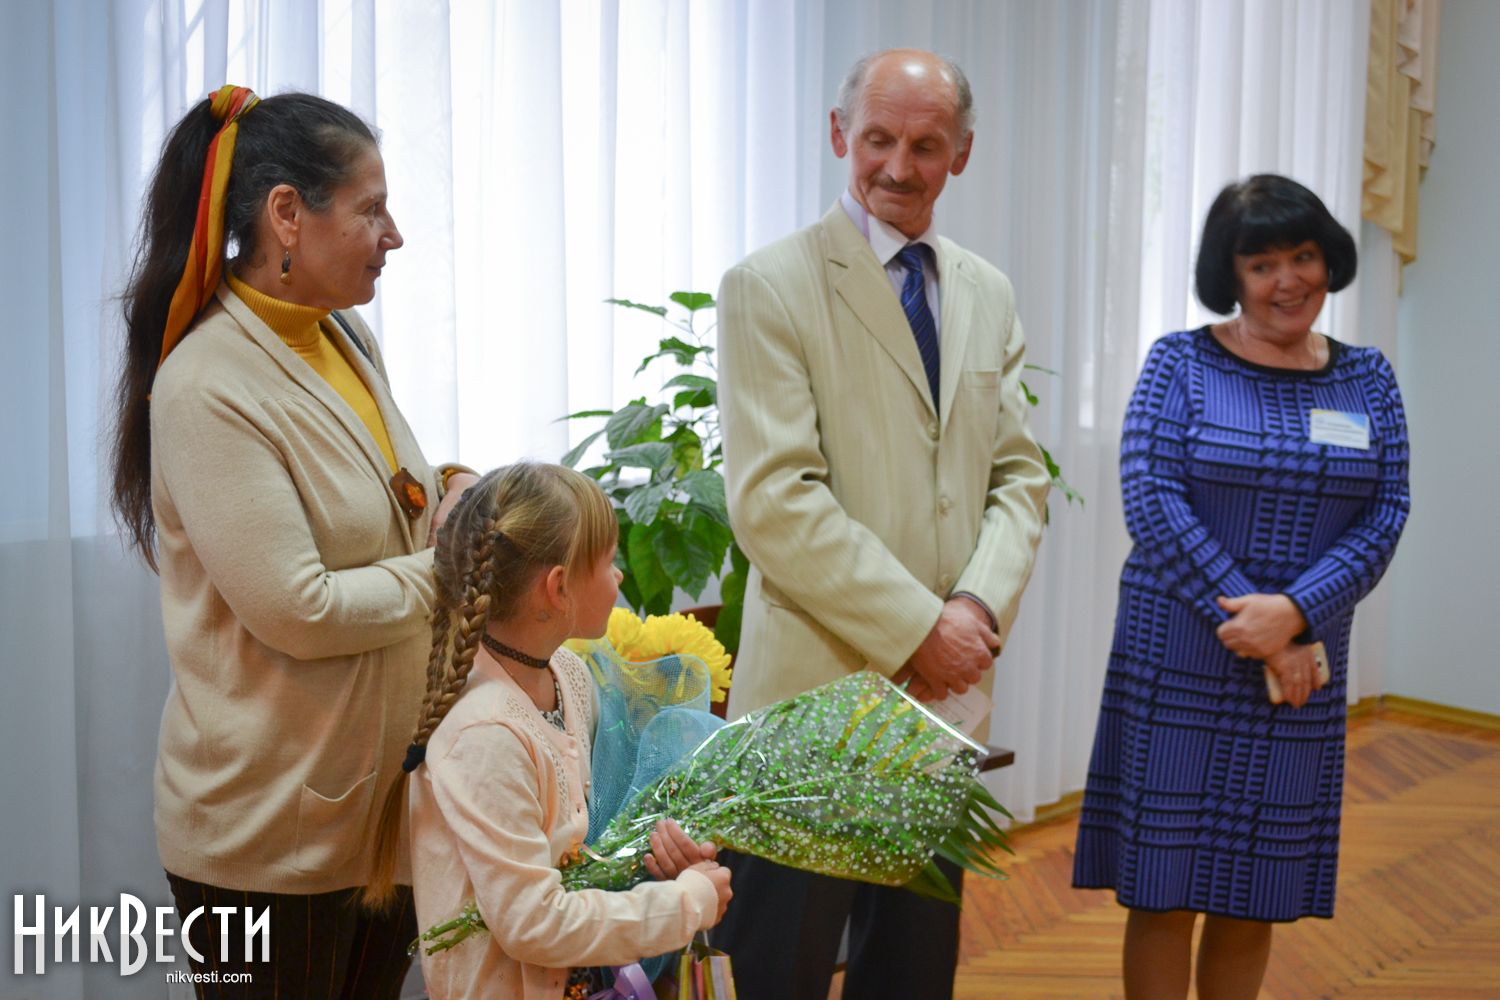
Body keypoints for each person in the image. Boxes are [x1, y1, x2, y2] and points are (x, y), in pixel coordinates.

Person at [109, 86, 475, 997]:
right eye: (371, 210)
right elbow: (300, 609)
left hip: (378, 815)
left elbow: (385, 499)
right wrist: (454, 567)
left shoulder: (343, 335)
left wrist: (455, 491)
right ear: (286, 214)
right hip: (270, 840)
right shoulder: (206, 385)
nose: (394, 236)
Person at [713, 49, 1051, 999]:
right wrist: (918, 628)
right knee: (779, 971)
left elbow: (1019, 476)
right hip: (811, 706)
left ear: (962, 153)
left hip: (943, 707)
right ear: (838, 135)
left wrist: (974, 609)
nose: (899, 167)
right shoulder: (768, 285)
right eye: (878, 140)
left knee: (911, 972)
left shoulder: (987, 291)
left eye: (926, 146)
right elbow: (775, 500)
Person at [1071, 174, 1411, 1000]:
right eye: (1262, 265)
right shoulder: (1180, 363)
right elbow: (1151, 500)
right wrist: (1256, 622)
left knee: (1255, 889)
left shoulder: (1368, 379)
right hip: (1182, 654)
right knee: (1163, 887)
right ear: (1231, 274)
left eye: (1303, 256)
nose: (1287, 280)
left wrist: (1294, 616)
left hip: (1298, 670)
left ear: (1329, 260)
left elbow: (1386, 512)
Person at [363, 463, 733, 999]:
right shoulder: (486, 735)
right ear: (558, 588)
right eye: (608, 562)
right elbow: (532, 922)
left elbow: (583, 839)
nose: (619, 577)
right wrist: (685, 904)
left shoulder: (568, 675)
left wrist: (660, 853)